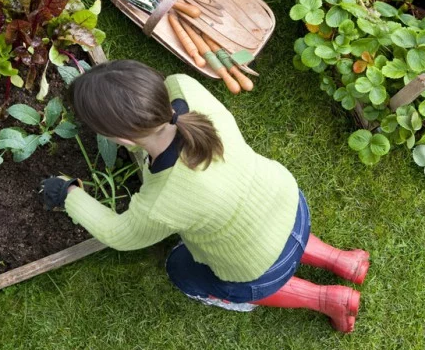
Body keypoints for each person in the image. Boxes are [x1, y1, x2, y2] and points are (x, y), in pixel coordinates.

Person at [40, 60, 369, 332]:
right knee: (267, 230)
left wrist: (68, 194)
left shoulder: (162, 201)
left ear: (122, 139)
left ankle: (327, 299)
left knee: (181, 270)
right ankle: (343, 261)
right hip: (288, 203)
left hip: (257, 266)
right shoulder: (184, 87)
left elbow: (119, 234)